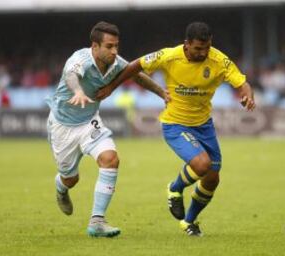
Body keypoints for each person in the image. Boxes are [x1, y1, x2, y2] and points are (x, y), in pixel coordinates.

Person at [96, 22, 255, 236]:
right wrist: (111, 86)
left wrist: (248, 95)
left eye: (207, 48)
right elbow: (135, 66)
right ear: (186, 44)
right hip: (175, 124)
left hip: (204, 126)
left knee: (212, 178)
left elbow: (242, 82)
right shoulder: (169, 56)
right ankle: (175, 188)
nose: (203, 53)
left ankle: (188, 221)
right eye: (198, 48)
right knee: (202, 165)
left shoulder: (219, 60)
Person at [46, 21, 168, 237]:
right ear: (95, 46)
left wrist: (162, 93)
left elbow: (136, 75)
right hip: (63, 126)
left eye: (116, 46)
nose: (114, 51)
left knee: (110, 158)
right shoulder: (79, 59)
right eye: (109, 46)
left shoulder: (116, 63)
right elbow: (71, 76)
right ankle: (61, 186)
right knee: (71, 179)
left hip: (89, 122)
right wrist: (78, 91)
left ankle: (97, 221)